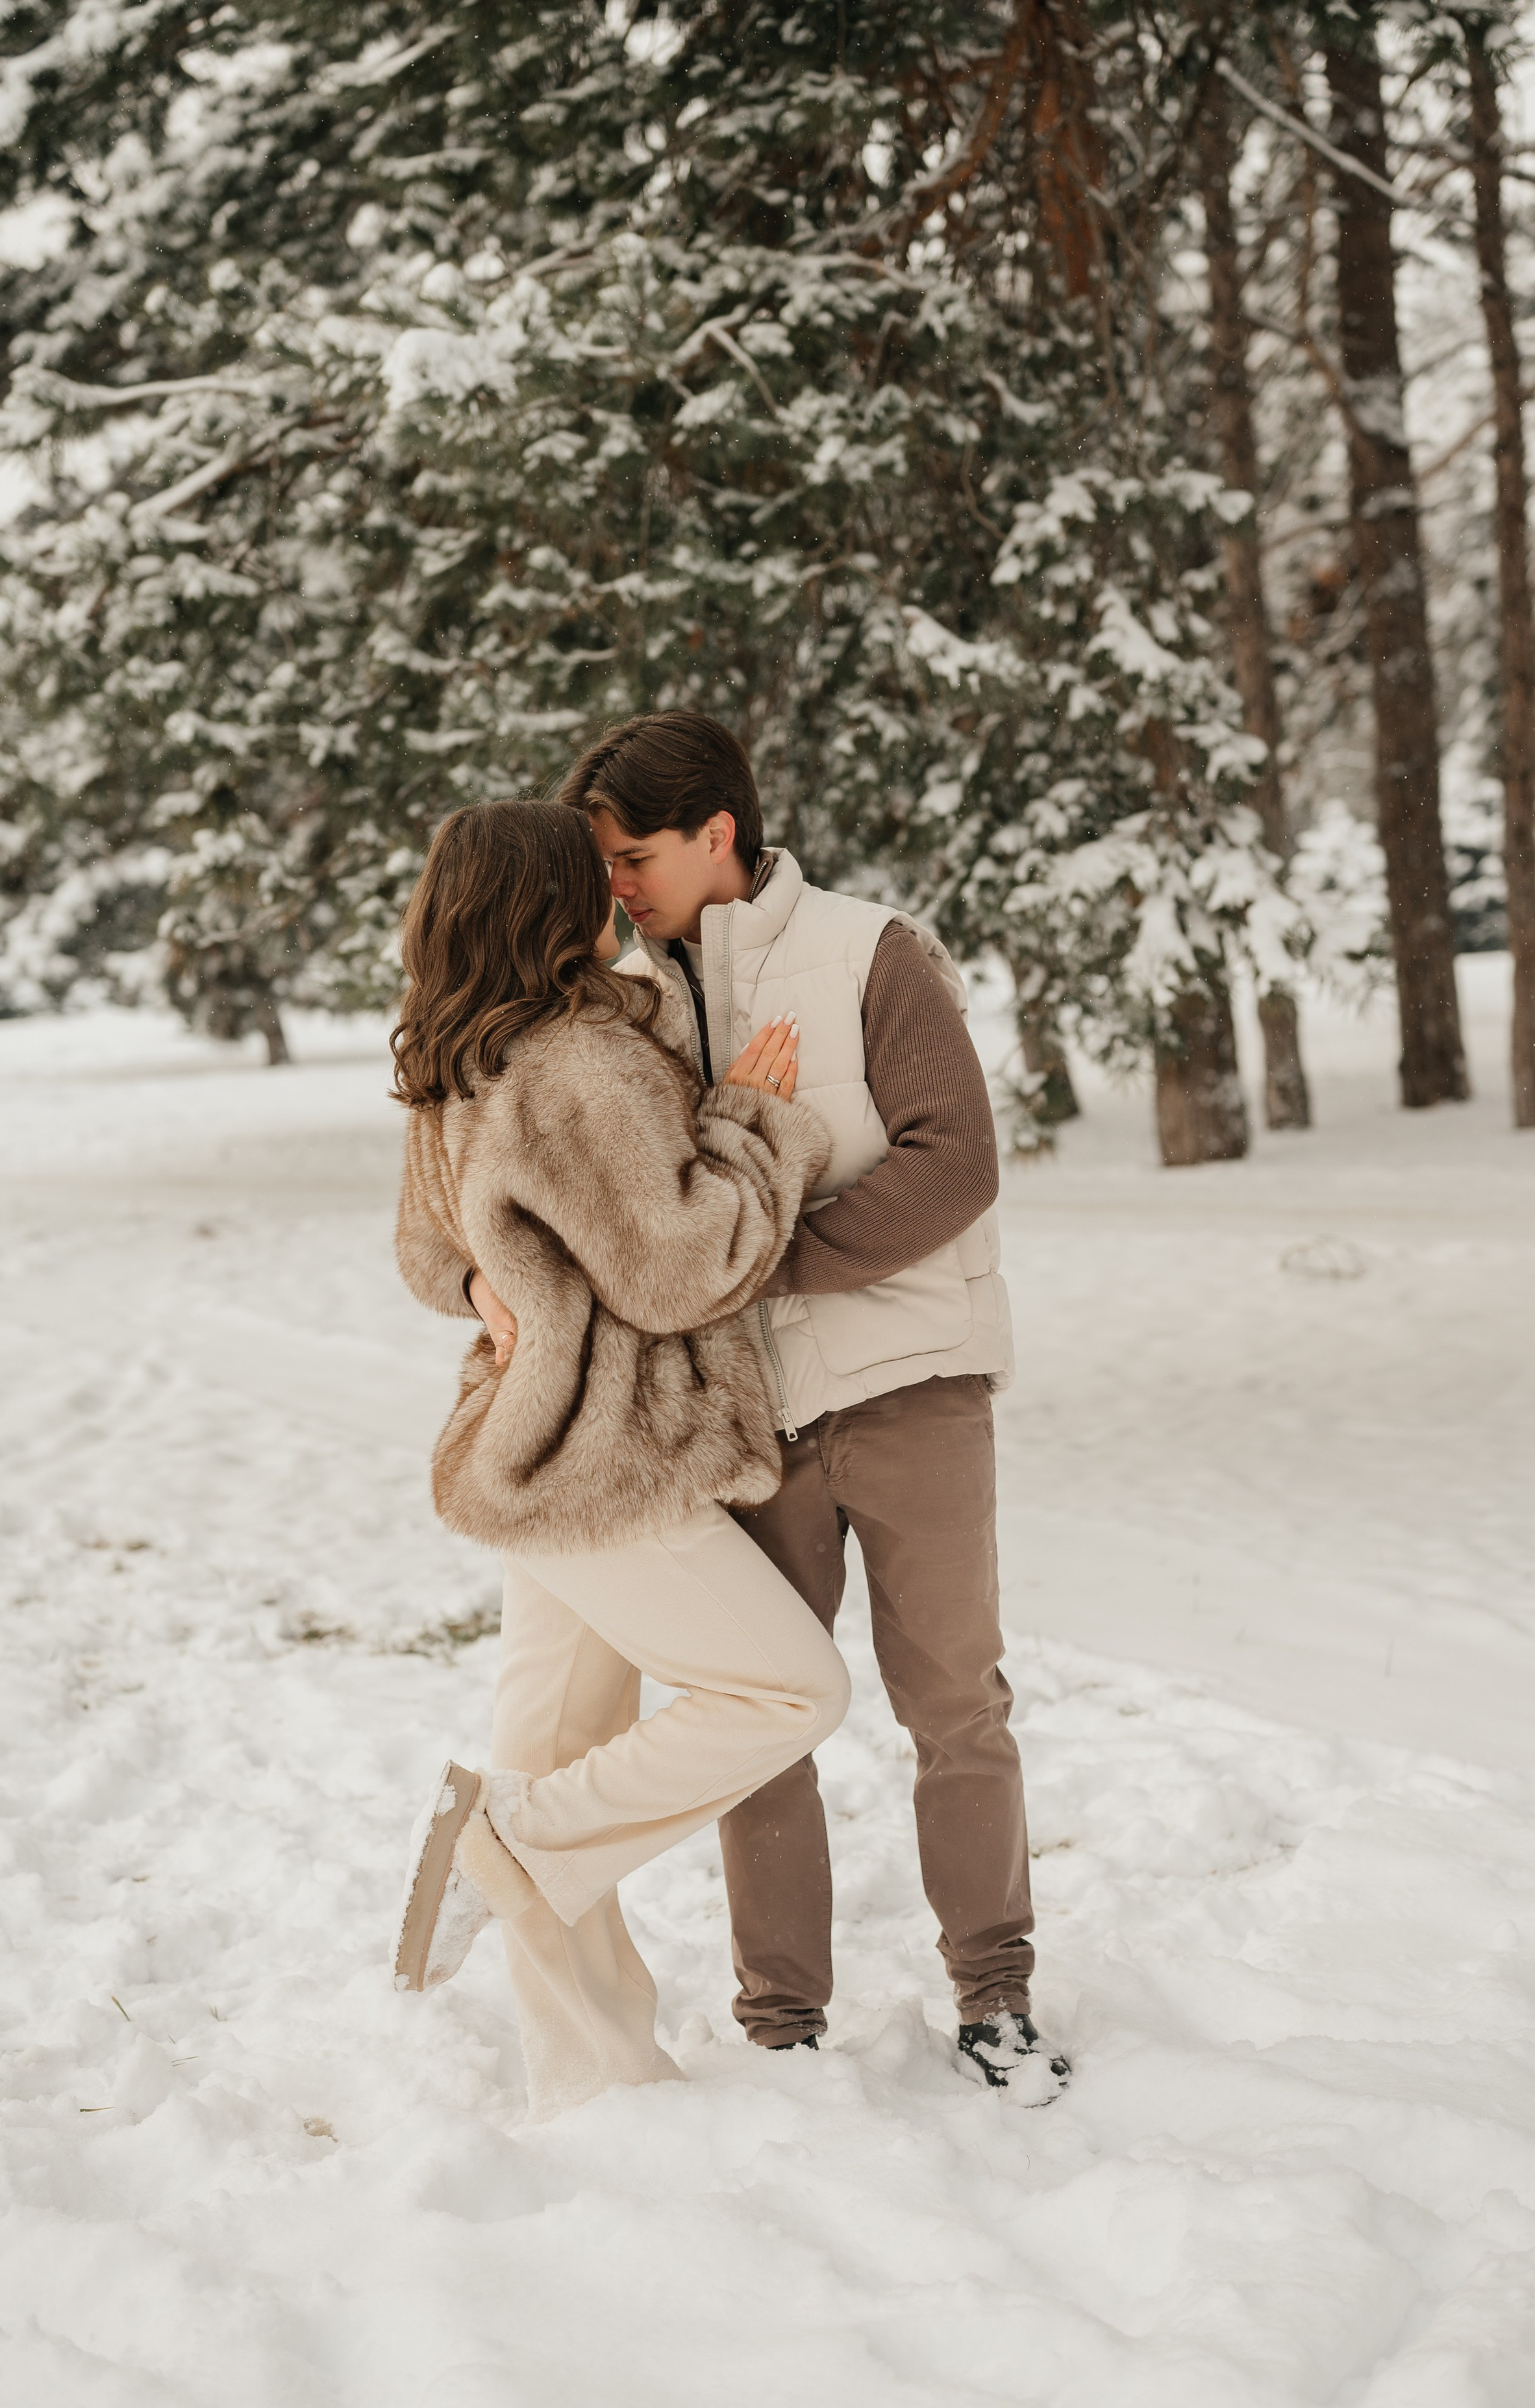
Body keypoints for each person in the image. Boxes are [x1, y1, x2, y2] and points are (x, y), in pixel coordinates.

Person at [469, 717, 1069, 2105]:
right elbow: (518, 1151)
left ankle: (994, 1993)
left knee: (952, 1704)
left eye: (634, 856)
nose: (612, 884)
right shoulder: (617, 1000)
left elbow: (953, 1159)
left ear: (718, 835)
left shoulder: (871, 952)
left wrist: (752, 1256)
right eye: (602, 862)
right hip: (744, 1419)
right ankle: (780, 2021)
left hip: (909, 1387)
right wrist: (472, 1275)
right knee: (756, 1710)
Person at [388, 799, 851, 2121]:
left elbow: (426, 1252)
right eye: (591, 876)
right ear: (546, 901)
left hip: (525, 1446)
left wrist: (486, 1273)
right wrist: (756, 1120)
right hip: (609, 1455)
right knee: (787, 1691)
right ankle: (504, 1848)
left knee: (554, 1747)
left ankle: (593, 2080)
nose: (615, 891)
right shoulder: (578, 1062)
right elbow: (680, 1263)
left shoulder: (457, 1052)